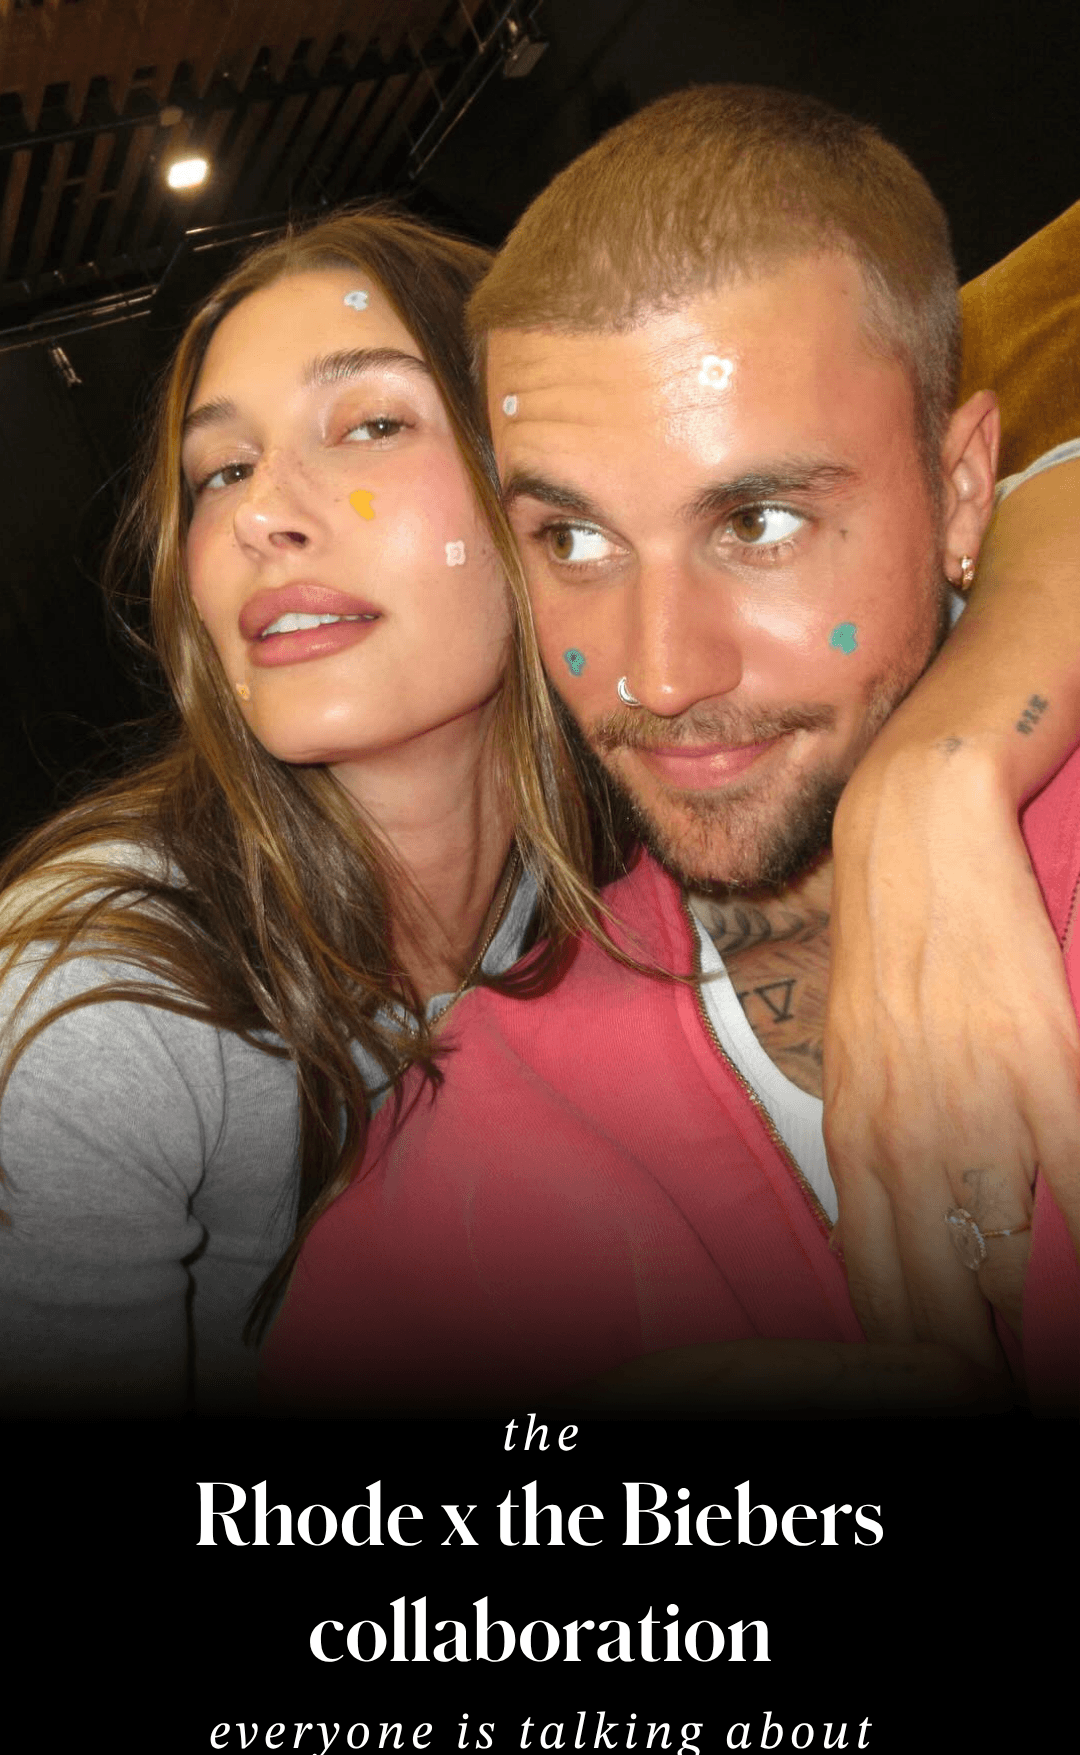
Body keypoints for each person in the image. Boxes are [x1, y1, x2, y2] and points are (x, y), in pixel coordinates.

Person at [262, 87, 1080, 1417]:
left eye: (756, 522)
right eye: (574, 541)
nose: (657, 674)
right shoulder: (469, 1145)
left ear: (964, 489)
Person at [0, 209, 599, 1415]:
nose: (259, 514)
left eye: (373, 424)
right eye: (221, 471)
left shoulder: (641, 843)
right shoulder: (102, 1005)